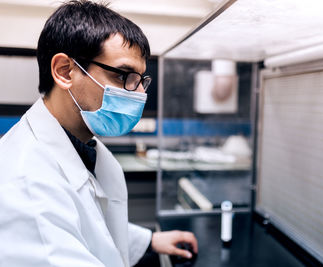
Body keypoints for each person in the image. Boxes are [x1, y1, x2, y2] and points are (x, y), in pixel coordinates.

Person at [0, 1, 197, 266]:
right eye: (124, 76)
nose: (140, 94)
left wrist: (148, 240)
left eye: (141, 80)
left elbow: (90, 223)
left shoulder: (82, 142)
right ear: (65, 71)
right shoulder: (24, 184)